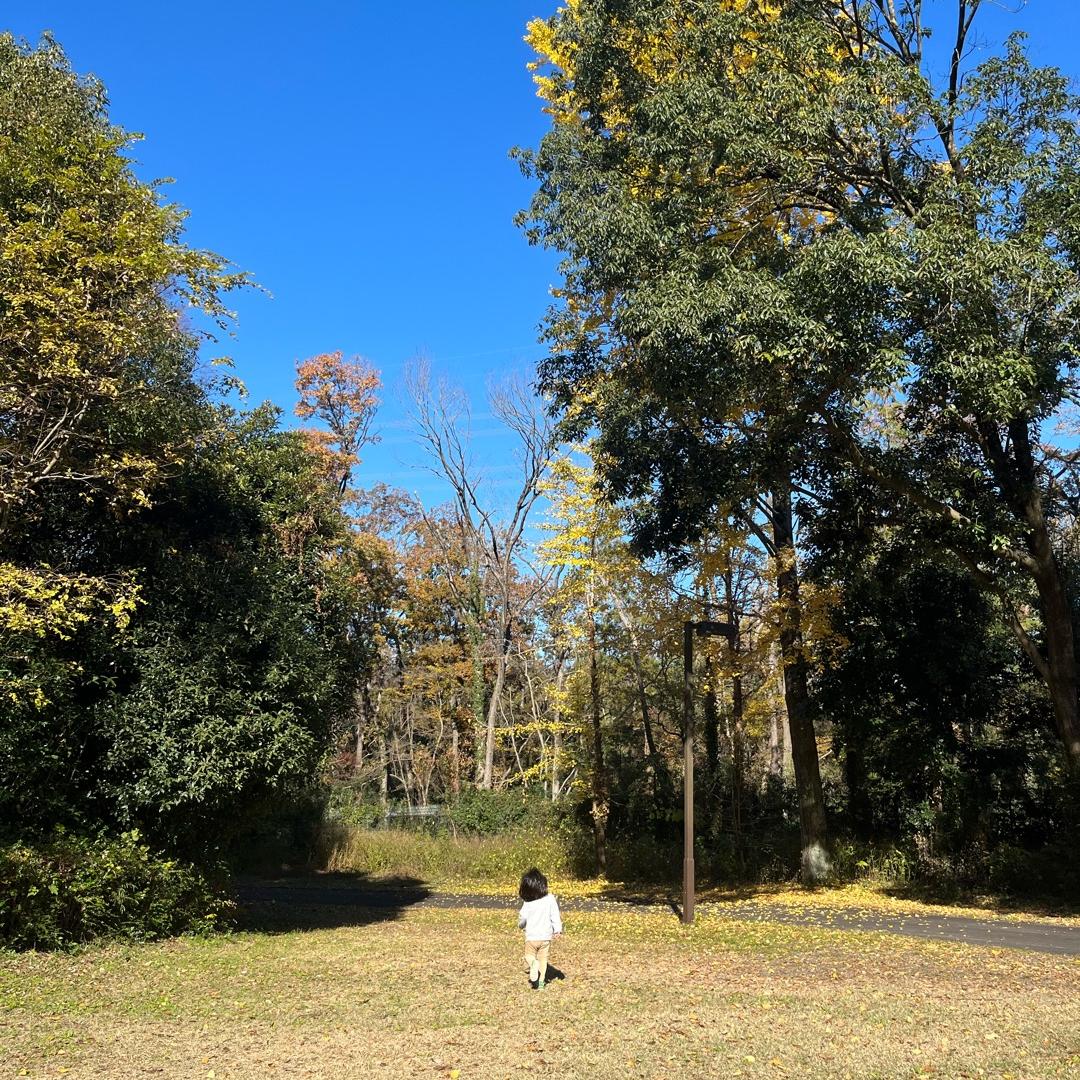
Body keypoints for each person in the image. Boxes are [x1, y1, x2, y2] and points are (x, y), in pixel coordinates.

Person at [517, 866, 562, 990]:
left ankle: (533, 964)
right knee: (543, 960)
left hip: (532, 937)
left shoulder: (528, 903)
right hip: (545, 937)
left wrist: (520, 925)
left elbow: (522, 918)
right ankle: (541, 984)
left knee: (529, 956)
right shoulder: (550, 898)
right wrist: (557, 929)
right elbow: (555, 914)